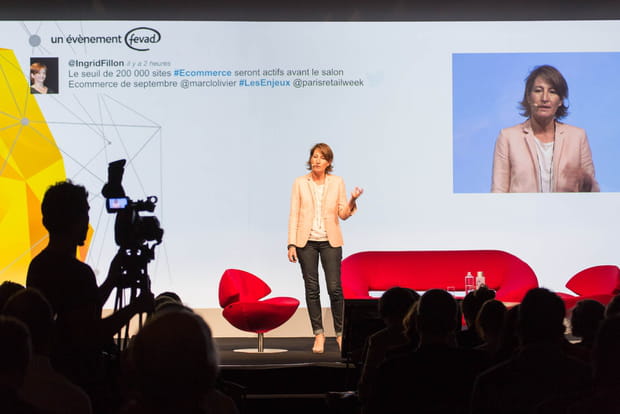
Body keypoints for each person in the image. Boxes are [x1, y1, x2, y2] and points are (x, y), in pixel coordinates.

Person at [26, 180, 153, 412]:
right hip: (83, 383)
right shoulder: (78, 273)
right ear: (74, 220)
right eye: (85, 214)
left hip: (56, 374)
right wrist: (136, 307)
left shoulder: (38, 266)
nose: (88, 222)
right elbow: (91, 334)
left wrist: (111, 281)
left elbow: (81, 310)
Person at [287, 143, 363, 353]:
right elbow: (294, 213)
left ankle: (340, 334)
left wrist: (352, 200)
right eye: (314, 156)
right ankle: (318, 334)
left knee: (335, 289)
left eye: (321, 157)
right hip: (306, 242)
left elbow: (343, 214)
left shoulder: (337, 182)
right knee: (312, 290)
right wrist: (291, 243)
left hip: (330, 241)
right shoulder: (300, 183)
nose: (316, 160)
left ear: (328, 162)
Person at [491, 65, 599, 193]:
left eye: (552, 92)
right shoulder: (508, 137)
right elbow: (498, 193)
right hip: (522, 212)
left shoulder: (578, 137)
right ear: (528, 97)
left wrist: (586, 183)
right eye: (538, 90)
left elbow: (593, 194)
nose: (545, 98)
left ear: (560, 101)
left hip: (566, 212)